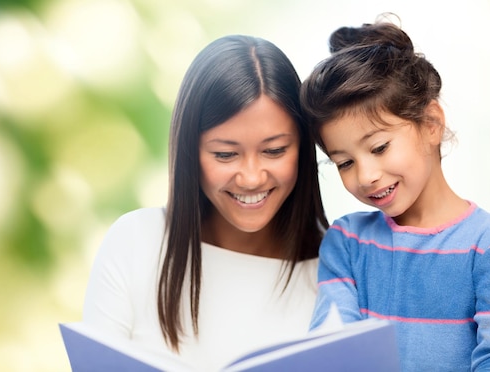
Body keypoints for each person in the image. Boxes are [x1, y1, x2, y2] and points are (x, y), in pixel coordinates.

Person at [299, 18, 490, 371]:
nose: (366, 176)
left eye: (379, 147)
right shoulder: (347, 243)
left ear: (431, 124)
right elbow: (334, 350)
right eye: (344, 162)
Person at [82, 34, 328, 371]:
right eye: (225, 154)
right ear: (190, 153)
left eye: (274, 150)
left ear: (302, 148)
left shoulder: (334, 269)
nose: (252, 178)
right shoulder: (135, 243)